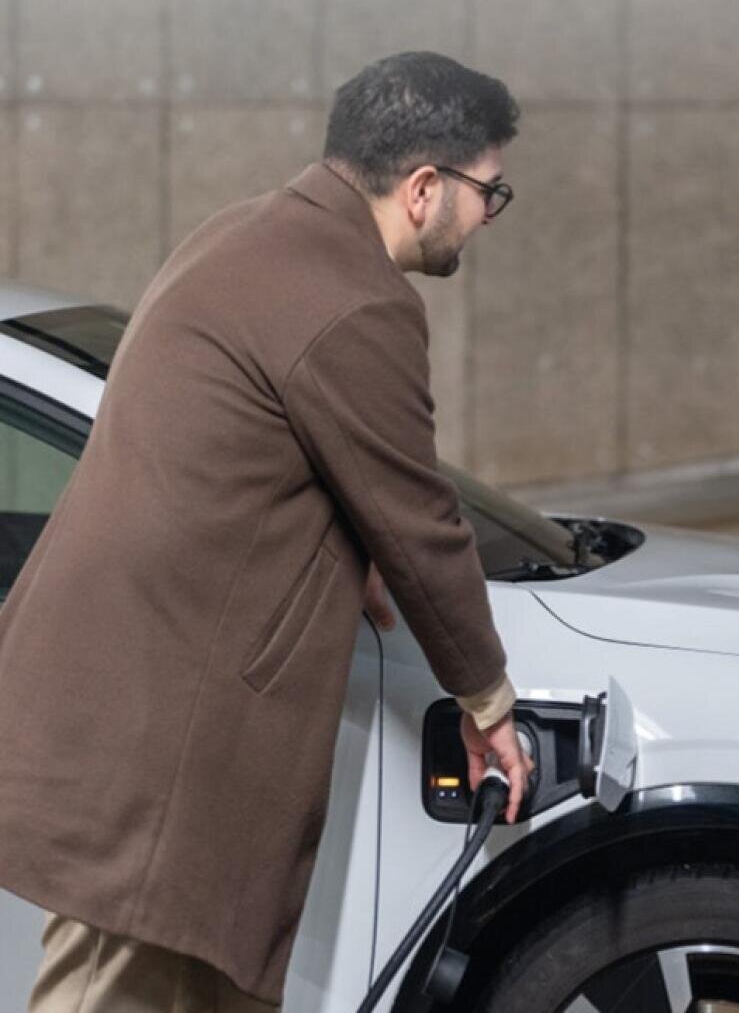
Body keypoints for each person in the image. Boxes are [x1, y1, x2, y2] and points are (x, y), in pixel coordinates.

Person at [0, 51, 532, 1012]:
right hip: (167, 727)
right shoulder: (357, 301)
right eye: (489, 194)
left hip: (124, 698)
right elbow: (418, 516)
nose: (487, 218)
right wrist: (489, 700)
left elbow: (255, 457)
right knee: (117, 992)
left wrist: (343, 557)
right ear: (424, 188)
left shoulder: (245, 235)